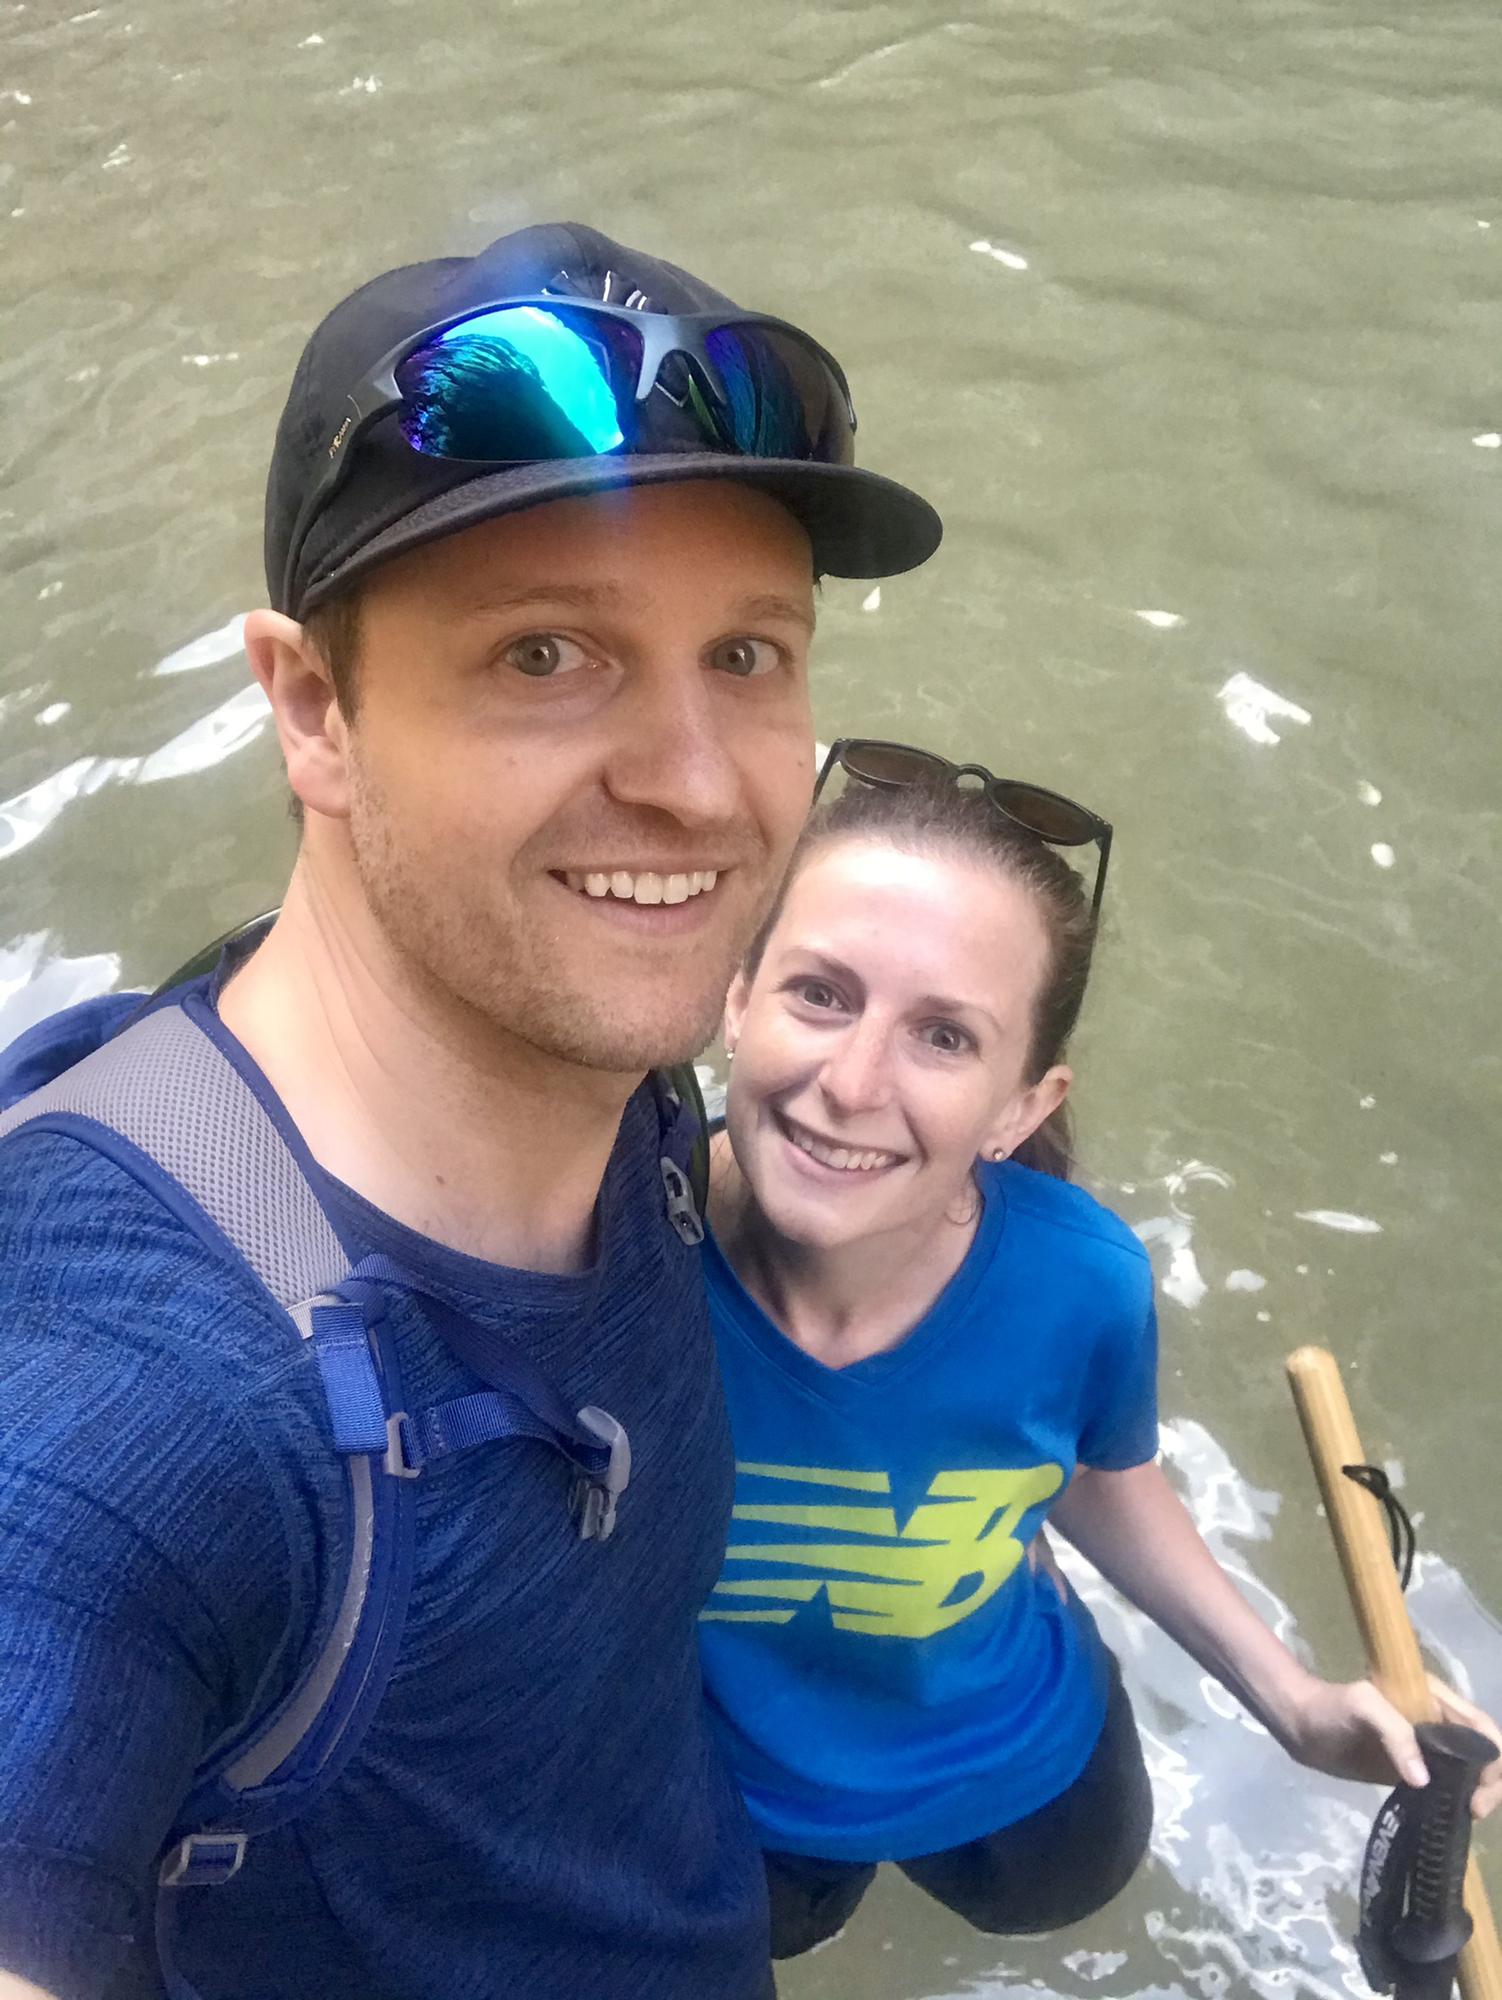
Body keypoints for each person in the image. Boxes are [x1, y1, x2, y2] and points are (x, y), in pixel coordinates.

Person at [0, 227, 942, 2000]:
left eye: (747, 655)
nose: (689, 784)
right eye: (542, 657)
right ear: (312, 710)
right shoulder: (134, 1389)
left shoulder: (610, 1051)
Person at [698, 739, 1502, 1961]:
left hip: (1014, 1752)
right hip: (731, 1800)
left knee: (1052, 1891)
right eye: (819, 992)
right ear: (733, 998)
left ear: (1023, 1103)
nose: (850, 1082)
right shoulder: (597, 1248)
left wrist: (1290, 1703)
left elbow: (1092, 1472)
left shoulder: (1078, 1279)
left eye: (944, 1037)